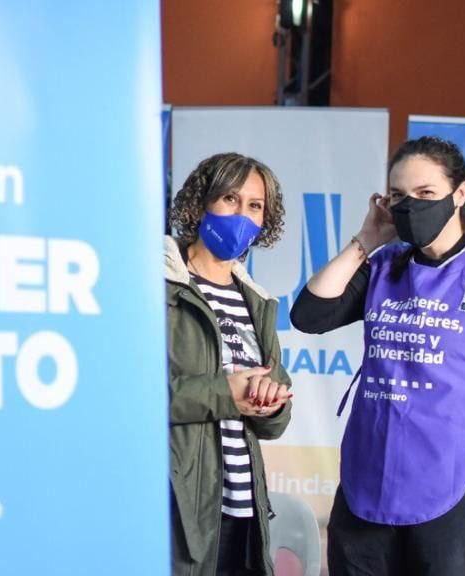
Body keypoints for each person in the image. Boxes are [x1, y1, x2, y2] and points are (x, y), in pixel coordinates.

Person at [290, 136, 465, 575]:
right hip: (368, 487)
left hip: (459, 492)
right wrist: (366, 239)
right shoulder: (384, 265)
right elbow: (309, 315)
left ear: (460, 194)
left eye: (426, 193)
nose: (410, 206)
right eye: (398, 196)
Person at [167, 152, 293, 576]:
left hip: (244, 511)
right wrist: (227, 394)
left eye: (254, 206)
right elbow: (130, 397)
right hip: (179, 512)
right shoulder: (160, 288)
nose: (242, 215)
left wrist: (271, 401)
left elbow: (272, 425)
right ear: (201, 202)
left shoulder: (256, 301)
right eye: (229, 199)